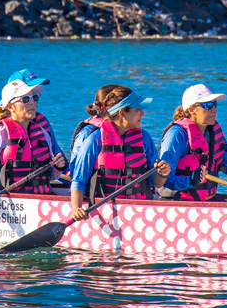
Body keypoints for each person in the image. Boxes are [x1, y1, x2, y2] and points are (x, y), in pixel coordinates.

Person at [0, 78, 69, 216]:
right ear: (10, 106)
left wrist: (57, 169)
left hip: (39, 200)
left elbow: (48, 177)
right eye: (25, 99)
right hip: (12, 204)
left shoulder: (42, 133)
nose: (32, 102)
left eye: (34, 97)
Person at [68, 85, 170, 221]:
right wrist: (77, 209)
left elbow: (156, 183)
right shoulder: (95, 140)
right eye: (137, 110)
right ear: (122, 113)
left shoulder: (145, 138)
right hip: (107, 212)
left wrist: (163, 173)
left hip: (141, 211)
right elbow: (78, 181)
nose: (143, 113)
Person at [159, 84, 227, 201]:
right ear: (192, 110)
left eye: (215, 104)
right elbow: (165, 180)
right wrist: (190, 180)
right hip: (178, 202)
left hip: (207, 201)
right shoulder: (176, 135)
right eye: (208, 105)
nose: (214, 110)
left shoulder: (214, 135)